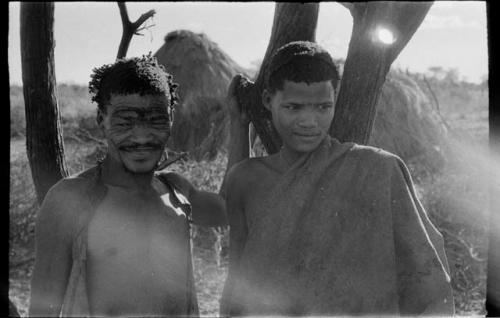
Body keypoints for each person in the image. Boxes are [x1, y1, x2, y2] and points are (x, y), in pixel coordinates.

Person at [219, 41, 454, 316]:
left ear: (335, 101)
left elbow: (426, 274)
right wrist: (239, 125)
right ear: (268, 100)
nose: (309, 121)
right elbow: (238, 273)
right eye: (293, 107)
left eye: (322, 107)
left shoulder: (377, 169)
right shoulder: (246, 178)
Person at [28, 54, 227, 317]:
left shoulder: (177, 193)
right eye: (125, 121)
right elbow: (43, 309)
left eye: (156, 120)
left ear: (171, 119)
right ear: (102, 121)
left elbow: (231, 209)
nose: (142, 136)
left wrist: (242, 122)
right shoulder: (70, 199)